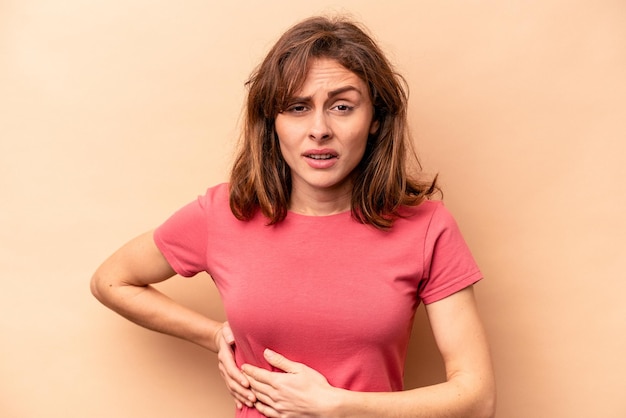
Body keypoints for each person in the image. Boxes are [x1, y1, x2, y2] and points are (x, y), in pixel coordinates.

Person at [91, 15, 496, 418]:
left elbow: (478, 399)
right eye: (297, 107)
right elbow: (111, 280)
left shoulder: (428, 227)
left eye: (342, 106)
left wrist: (340, 406)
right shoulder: (225, 214)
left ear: (375, 119)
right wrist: (214, 333)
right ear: (273, 122)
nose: (319, 129)